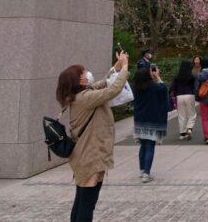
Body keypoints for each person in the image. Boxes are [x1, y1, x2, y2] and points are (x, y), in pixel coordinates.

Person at [55, 51, 129, 222]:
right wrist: (125, 68)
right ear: (78, 80)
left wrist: (116, 67)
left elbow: (103, 84)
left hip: (88, 154)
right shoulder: (84, 98)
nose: (87, 74)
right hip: (89, 155)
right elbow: (112, 90)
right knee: (86, 203)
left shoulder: (81, 95)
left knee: (82, 200)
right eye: (83, 73)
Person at [132, 65, 169, 183]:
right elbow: (163, 88)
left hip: (140, 119)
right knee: (150, 146)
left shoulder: (135, 87)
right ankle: (147, 174)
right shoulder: (153, 87)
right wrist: (157, 76)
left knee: (143, 145)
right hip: (153, 119)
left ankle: (142, 170)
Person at [171, 59, 197, 140]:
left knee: (181, 115)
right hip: (189, 95)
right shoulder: (192, 76)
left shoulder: (176, 76)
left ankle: (182, 133)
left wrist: (173, 95)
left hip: (179, 96)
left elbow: (172, 87)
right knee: (192, 114)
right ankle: (189, 128)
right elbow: (195, 86)